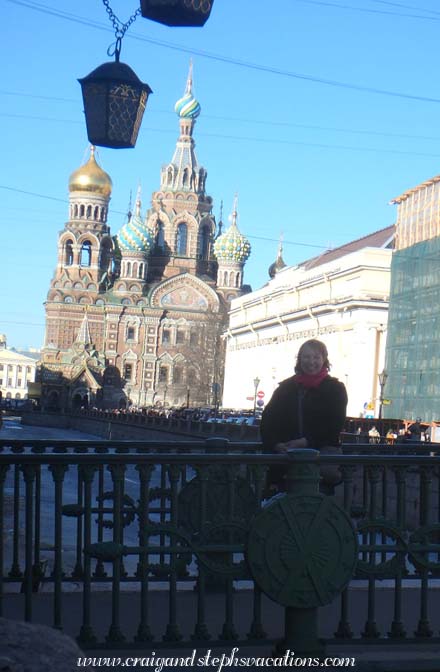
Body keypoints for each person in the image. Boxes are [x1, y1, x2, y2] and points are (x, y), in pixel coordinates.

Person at [260, 339, 348, 495]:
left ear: (324, 360)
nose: (311, 362)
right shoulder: (285, 388)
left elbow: (335, 425)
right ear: (299, 360)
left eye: (316, 357)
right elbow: (268, 420)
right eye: (306, 357)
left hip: (319, 459)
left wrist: (306, 442)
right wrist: (275, 444)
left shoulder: (335, 389)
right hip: (286, 458)